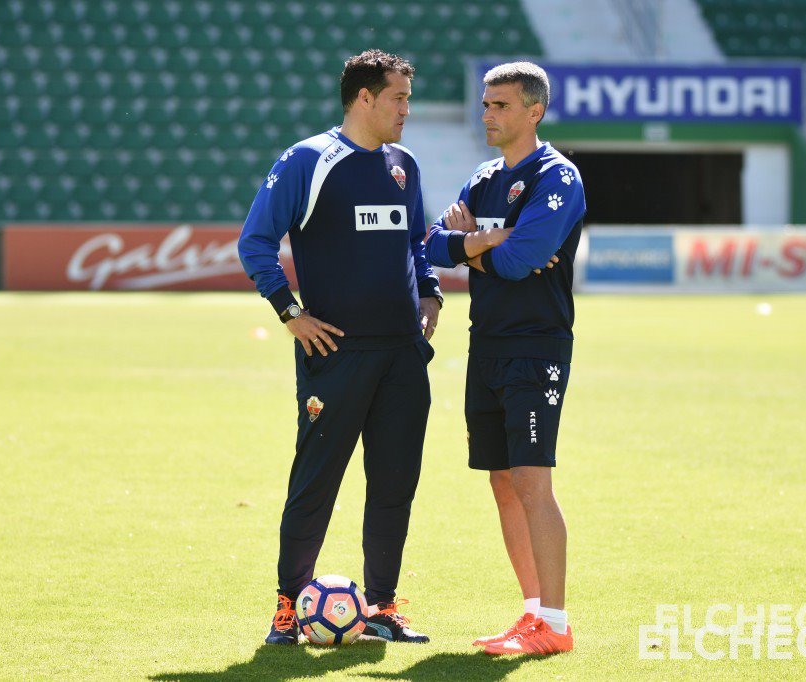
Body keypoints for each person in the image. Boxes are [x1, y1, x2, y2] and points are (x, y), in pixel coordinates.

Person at [238, 49, 442, 645]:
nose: (408, 108)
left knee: (395, 483)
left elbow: (416, 243)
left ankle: (382, 606)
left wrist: (430, 294)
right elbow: (254, 242)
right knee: (317, 481)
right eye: (399, 97)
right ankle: (286, 608)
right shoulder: (309, 159)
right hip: (337, 355)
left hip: (404, 355)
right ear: (365, 98)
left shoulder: (404, 164)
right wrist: (291, 312)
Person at [425, 62, 586, 655]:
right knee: (500, 479)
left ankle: (557, 624)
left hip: (536, 345)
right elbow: (431, 243)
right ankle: (531, 613)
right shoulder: (485, 176)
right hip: (486, 341)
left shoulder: (557, 177)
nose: (487, 114)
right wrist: (487, 243)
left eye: (499, 105)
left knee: (531, 480)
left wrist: (476, 247)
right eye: (485, 104)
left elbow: (523, 261)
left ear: (533, 111)